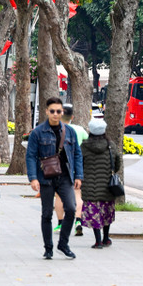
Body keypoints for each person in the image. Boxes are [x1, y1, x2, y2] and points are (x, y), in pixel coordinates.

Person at [26, 97, 83, 260]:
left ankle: (63, 244)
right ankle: (48, 248)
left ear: (62, 112)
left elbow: (77, 154)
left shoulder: (69, 131)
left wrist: (79, 175)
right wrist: (33, 178)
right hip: (46, 179)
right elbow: (31, 156)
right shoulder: (38, 132)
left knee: (71, 209)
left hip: (65, 177)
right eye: (52, 111)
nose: (56, 114)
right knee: (46, 214)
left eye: (59, 111)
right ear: (46, 112)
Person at [80, 119, 121, 249]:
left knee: (94, 213)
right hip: (107, 187)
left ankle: (98, 241)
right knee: (106, 212)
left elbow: (79, 164)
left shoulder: (84, 146)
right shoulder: (111, 145)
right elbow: (117, 163)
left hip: (89, 187)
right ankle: (105, 238)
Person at [60, 104, 87, 236]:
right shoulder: (80, 129)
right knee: (77, 194)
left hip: (60, 166)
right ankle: (78, 221)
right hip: (76, 165)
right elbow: (86, 144)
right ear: (72, 117)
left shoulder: (57, 129)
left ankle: (60, 223)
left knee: (59, 195)